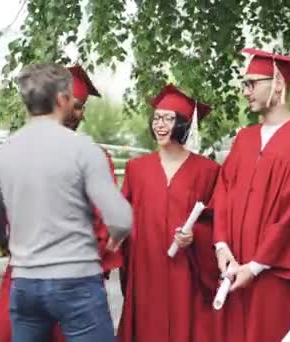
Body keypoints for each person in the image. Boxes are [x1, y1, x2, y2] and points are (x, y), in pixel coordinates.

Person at [0, 63, 132, 342]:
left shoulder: (8, 152)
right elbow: (116, 221)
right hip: (75, 281)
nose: (80, 114)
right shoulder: (88, 153)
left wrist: (11, 246)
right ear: (61, 101)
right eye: (76, 106)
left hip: (25, 278)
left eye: (83, 107)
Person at [211, 48, 290, 342]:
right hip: (232, 271)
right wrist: (221, 246)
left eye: (252, 83)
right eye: (243, 84)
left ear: (277, 83)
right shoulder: (244, 138)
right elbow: (222, 191)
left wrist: (256, 265)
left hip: (273, 276)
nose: (245, 91)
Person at [118, 84, 220, 342]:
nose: (160, 125)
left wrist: (196, 235)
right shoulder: (136, 169)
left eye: (169, 118)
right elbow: (123, 221)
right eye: (157, 118)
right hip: (146, 270)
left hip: (187, 272)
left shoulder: (208, 171)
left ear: (184, 123)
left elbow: (217, 219)